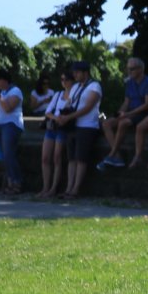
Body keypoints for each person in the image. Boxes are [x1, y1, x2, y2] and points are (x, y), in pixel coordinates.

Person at [57, 60, 103, 200]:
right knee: (71, 158)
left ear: (85, 73)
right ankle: (68, 188)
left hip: (87, 126)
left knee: (81, 158)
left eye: (77, 72)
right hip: (73, 126)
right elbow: (69, 103)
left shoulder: (95, 86)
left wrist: (69, 117)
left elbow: (88, 107)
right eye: (74, 72)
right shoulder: (75, 87)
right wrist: (63, 115)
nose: (75, 75)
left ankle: (75, 189)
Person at [97, 57, 148, 168]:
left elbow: (147, 105)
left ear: (141, 69)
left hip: (143, 113)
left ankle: (111, 154)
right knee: (106, 123)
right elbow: (126, 102)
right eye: (128, 69)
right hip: (130, 113)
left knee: (123, 123)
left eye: (132, 69)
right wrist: (119, 114)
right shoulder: (130, 82)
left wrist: (127, 114)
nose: (129, 71)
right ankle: (117, 156)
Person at [0, 69, 25, 195]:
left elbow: (8, 108)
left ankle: (17, 182)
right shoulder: (2, 93)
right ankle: (10, 182)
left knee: (9, 154)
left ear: (3, 80)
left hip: (11, 125)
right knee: (5, 155)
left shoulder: (15, 91)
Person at [37, 71, 72, 198]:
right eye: (62, 79)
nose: (64, 82)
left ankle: (53, 188)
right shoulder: (58, 95)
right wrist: (56, 118)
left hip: (63, 128)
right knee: (45, 158)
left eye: (66, 79)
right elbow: (48, 111)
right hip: (52, 127)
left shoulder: (74, 95)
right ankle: (45, 187)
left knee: (57, 158)